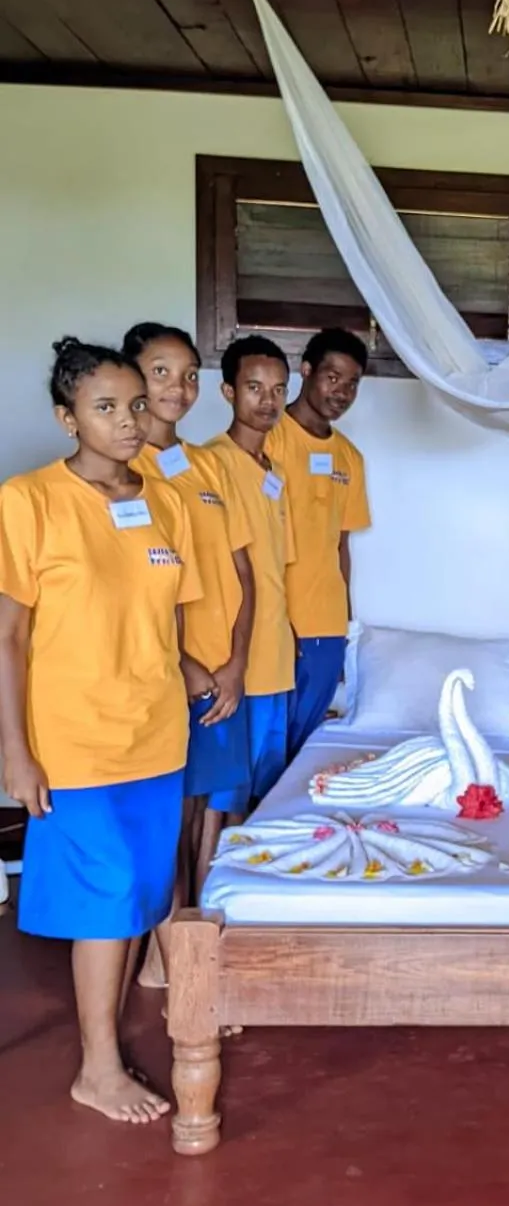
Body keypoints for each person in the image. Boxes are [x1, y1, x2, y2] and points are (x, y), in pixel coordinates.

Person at [0, 338, 202, 1123]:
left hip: (154, 728)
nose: (128, 421)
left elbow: (152, 612)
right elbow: (9, 635)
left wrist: (187, 667)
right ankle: (98, 1068)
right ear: (67, 417)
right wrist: (15, 751)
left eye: (136, 405)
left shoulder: (165, 499)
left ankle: (106, 1044)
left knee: (139, 897)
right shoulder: (29, 501)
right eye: (105, 408)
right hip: (73, 737)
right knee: (106, 892)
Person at [123, 322, 256, 894]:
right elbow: (133, 588)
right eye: (161, 373)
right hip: (166, 670)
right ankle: (163, 941)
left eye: (187, 376)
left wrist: (235, 664)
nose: (177, 388)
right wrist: (184, 664)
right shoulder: (123, 472)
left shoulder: (211, 466)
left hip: (223, 668)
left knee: (211, 804)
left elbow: (244, 574)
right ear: (132, 379)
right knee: (167, 808)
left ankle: (195, 928)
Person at [268, 328, 371, 758]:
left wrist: (346, 622)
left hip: (326, 625)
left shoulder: (350, 457)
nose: (341, 392)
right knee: (263, 747)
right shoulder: (267, 440)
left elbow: (340, 545)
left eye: (351, 384)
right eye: (333, 377)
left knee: (301, 745)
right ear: (305, 371)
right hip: (274, 622)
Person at [204, 335, 295, 819]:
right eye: (255, 388)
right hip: (237, 657)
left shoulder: (274, 470)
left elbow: (278, 566)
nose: (268, 401)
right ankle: (217, 888)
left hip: (276, 654)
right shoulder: (211, 463)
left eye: (278, 390)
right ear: (228, 393)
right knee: (227, 793)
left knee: (266, 785)